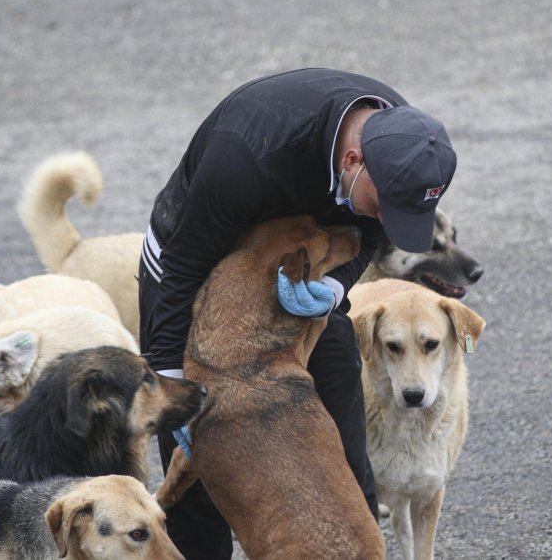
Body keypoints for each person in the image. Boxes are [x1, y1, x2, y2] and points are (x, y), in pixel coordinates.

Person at [138, 67, 457, 559]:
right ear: (353, 160)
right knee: (201, 470)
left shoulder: (396, 133)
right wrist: (169, 378)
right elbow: (181, 269)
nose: (383, 220)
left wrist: (333, 289)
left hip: (306, 261)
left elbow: (368, 231)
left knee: (344, 453)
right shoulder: (244, 157)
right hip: (197, 269)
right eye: (383, 204)